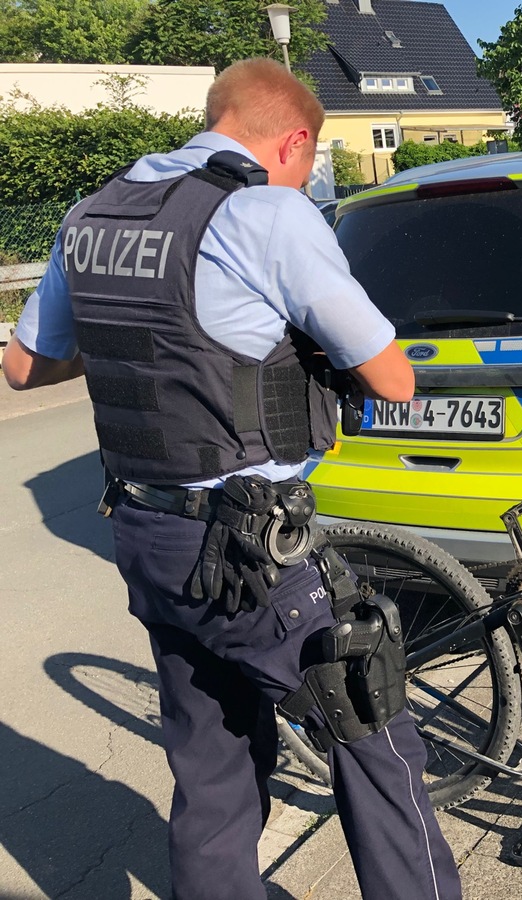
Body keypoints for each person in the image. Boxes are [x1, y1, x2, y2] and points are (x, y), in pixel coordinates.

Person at [3, 58, 462, 900]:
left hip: (146, 532)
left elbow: (25, 365)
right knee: (374, 726)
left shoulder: (90, 215)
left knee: (211, 764)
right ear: (293, 141)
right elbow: (393, 377)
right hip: (252, 545)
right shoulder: (266, 213)